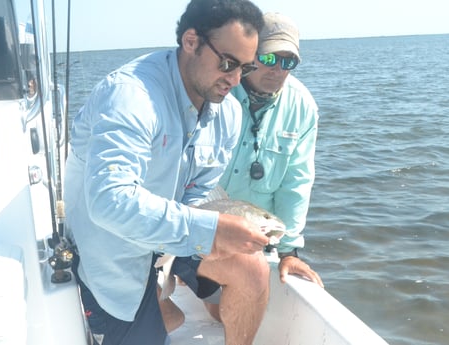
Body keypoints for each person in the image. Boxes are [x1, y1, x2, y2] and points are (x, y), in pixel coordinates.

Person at [64, 1, 269, 344]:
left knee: (253, 270)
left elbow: (199, 191)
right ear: (191, 41)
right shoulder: (130, 97)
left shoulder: (228, 113)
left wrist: (214, 228)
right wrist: (210, 231)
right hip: (112, 253)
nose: (234, 80)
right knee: (160, 325)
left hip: (172, 236)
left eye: (244, 69)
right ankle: (156, 305)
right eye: (228, 63)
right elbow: (108, 202)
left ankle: (165, 298)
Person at [221, 11, 324, 291]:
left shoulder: (302, 107)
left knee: (240, 299)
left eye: (287, 61)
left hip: (252, 240)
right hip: (200, 224)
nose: (277, 69)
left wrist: (288, 251)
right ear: (250, 55)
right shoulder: (218, 91)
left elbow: (297, 182)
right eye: (268, 58)